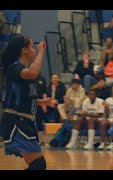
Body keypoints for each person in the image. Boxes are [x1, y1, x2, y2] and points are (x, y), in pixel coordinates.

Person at [0, 35, 58, 170]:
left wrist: (41, 101)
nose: (34, 50)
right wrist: (42, 51)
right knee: (38, 165)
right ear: (24, 50)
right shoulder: (15, 68)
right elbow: (33, 72)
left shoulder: (20, 71)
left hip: (24, 120)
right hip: (16, 121)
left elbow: (20, 97)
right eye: (32, 47)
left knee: (37, 165)